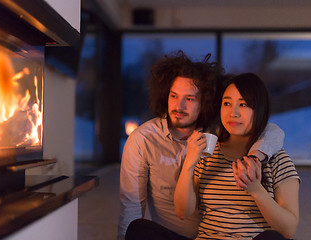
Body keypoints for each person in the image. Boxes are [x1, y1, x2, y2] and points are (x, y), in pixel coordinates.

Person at [118, 51, 285, 240]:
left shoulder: (217, 131)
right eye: (173, 96)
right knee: (138, 229)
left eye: (189, 99)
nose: (178, 106)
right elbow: (131, 207)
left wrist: (254, 157)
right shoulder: (143, 139)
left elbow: (272, 130)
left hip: (220, 235)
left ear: (205, 101)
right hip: (175, 236)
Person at [173, 72, 299, 239]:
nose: (233, 113)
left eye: (244, 105)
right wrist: (189, 162)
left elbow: (289, 229)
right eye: (227, 103)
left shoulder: (277, 160)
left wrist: (256, 190)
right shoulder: (207, 153)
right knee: (140, 229)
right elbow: (183, 212)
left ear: (260, 109)